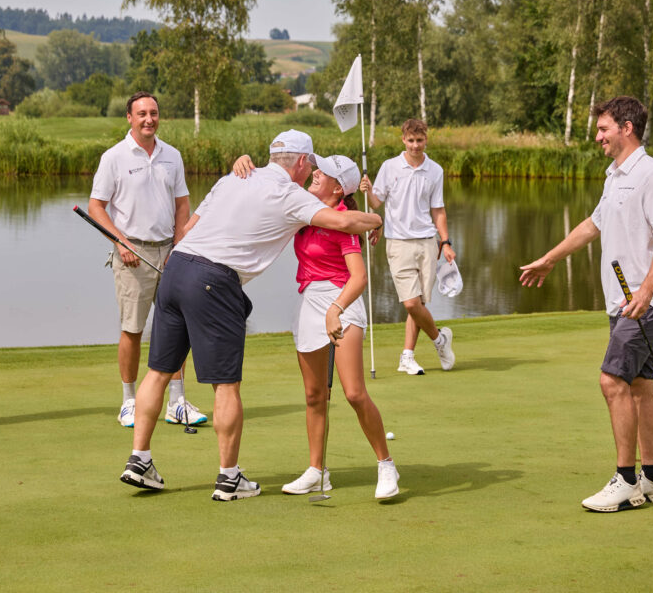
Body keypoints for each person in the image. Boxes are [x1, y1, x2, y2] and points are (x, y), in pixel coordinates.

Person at [118, 130, 382, 501]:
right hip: (214, 280)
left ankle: (139, 460)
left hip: (176, 268)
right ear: (302, 162)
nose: (312, 175)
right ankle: (229, 479)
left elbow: (188, 228)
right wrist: (375, 220)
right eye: (311, 167)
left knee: (159, 371)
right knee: (225, 384)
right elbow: (342, 223)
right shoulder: (289, 194)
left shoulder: (233, 178)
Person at [519, 96, 653, 512]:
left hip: (647, 300)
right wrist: (550, 259)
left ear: (627, 127)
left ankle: (626, 480)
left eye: (604, 128)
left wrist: (646, 290)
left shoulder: (652, 175)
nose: (598, 136)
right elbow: (592, 225)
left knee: (611, 381)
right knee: (638, 385)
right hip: (621, 302)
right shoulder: (614, 176)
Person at [233, 152, 399, 499]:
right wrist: (244, 162)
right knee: (314, 395)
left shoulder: (343, 221)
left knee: (353, 392)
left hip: (343, 301)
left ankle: (386, 464)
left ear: (339, 188)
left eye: (322, 173)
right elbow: (266, 188)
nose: (315, 174)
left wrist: (336, 309)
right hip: (309, 301)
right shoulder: (304, 209)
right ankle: (317, 471)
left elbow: (360, 277)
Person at [88, 92, 205, 430]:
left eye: (153, 113)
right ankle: (129, 400)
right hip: (132, 255)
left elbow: (182, 203)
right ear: (129, 118)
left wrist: (179, 243)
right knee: (133, 329)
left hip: (170, 253)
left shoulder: (172, 156)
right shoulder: (113, 157)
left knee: (176, 326)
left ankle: (177, 401)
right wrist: (120, 241)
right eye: (142, 114)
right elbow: (96, 207)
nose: (149, 119)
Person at [357, 118, 455, 376]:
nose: (415, 145)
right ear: (403, 140)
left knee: (420, 302)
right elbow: (377, 203)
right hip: (398, 242)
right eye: (411, 141)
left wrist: (445, 242)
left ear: (426, 139)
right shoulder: (390, 167)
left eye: (419, 140)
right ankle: (440, 340)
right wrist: (367, 191)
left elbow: (438, 210)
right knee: (411, 303)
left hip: (427, 241)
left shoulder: (435, 170)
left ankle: (407, 357)